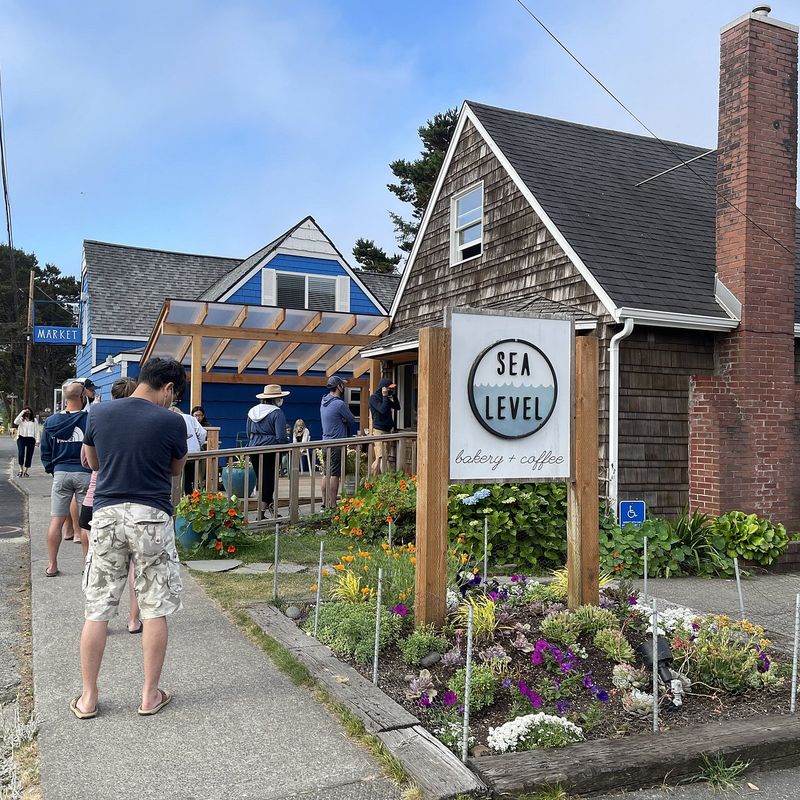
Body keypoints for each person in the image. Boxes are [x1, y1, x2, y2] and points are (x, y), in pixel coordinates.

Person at [73, 357, 187, 719]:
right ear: (168, 388)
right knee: (155, 608)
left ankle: (89, 698)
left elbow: (93, 463)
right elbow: (175, 469)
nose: (173, 400)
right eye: (174, 394)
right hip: (151, 516)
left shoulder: (100, 413)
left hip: (106, 516)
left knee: (98, 609)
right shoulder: (172, 421)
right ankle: (149, 696)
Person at [79, 376, 142, 633]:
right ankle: (133, 619)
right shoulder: (145, 423)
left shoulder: (98, 417)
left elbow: (87, 461)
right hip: (136, 499)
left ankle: (98, 619)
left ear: (112, 395)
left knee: (98, 565)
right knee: (135, 566)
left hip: (98, 497)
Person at [40, 382, 91, 577]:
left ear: (64, 398)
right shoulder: (89, 420)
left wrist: (52, 469)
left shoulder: (51, 422)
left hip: (60, 473)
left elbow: (45, 450)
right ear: (82, 397)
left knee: (56, 521)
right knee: (86, 523)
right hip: (85, 473)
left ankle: (52, 565)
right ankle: (87, 566)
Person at [246, 385, 290, 518]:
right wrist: (286, 446)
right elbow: (281, 437)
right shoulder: (277, 413)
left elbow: (248, 433)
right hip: (270, 450)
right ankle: (261, 513)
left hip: (254, 448)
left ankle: (271, 510)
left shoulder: (252, 411)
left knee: (261, 479)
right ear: (276, 398)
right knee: (269, 480)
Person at [320, 375, 358, 509]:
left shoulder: (323, 401)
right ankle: (333, 504)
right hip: (337, 443)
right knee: (335, 475)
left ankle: (324, 504)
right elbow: (352, 419)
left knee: (326, 473)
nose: (344, 386)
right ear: (338, 387)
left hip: (325, 442)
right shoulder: (339, 403)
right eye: (342, 384)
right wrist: (343, 420)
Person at [369, 378, 400, 474]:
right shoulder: (374, 398)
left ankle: (373, 479)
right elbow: (382, 410)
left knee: (382, 457)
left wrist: (393, 395)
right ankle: (385, 479)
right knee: (382, 456)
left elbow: (397, 407)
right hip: (379, 431)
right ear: (383, 388)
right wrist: (385, 396)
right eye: (389, 388)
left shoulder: (385, 398)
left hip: (387, 430)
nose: (391, 390)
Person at [14, 407, 39, 477]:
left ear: (31, 412)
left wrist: (37, 441)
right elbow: (15, 422)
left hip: (31, 438)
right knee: (21, 453)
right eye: (26, 412)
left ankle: (26, 471)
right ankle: (20, 470)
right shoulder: (21, 420)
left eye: (28, 412)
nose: (27, 413)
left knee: (29, 455)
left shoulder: (34, 420)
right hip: (21, 438)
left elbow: (37, 431)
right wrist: (22, 412)